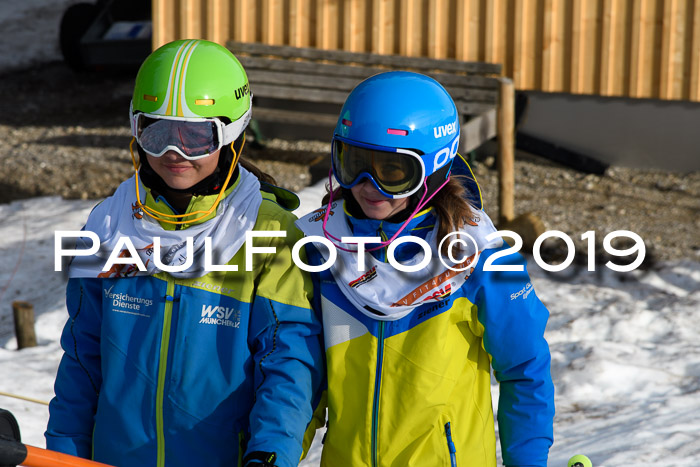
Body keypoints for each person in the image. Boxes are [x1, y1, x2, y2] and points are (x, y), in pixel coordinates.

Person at [46, 39, 323, 467]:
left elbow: (288, 366)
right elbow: (83, 359)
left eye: (195, 137)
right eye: (156, 133)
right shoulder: (109, 224)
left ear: (232, 133)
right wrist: (64, 451)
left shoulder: (268, 234)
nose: (173, 153)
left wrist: (270, 456)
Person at [296, 71, 555, 466]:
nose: (368, 185)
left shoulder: (478, 258)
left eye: (392, 171)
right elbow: (302, 381)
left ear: (432, 169)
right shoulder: (320, 251)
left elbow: (524, 368)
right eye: (354, 163)